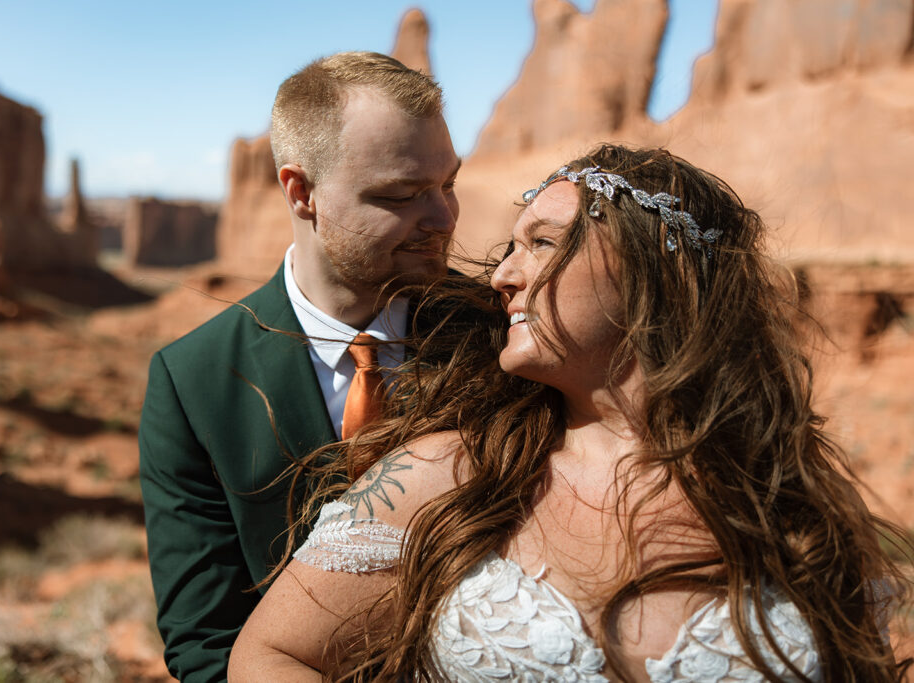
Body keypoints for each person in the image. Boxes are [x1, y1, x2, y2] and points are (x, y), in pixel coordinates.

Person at [228, 144, 911, 681]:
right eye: (510, 246)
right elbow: (274, 655)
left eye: (544, 243)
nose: (502, 274)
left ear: (656, 273)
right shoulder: (445, 475)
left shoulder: (796, 506)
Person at [138, 51, 461, 682]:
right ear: (301, 192)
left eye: (449, 183)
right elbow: (207, 644)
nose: (444, 218)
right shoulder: (192, 381)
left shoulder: (502, 338)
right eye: (400, 194)